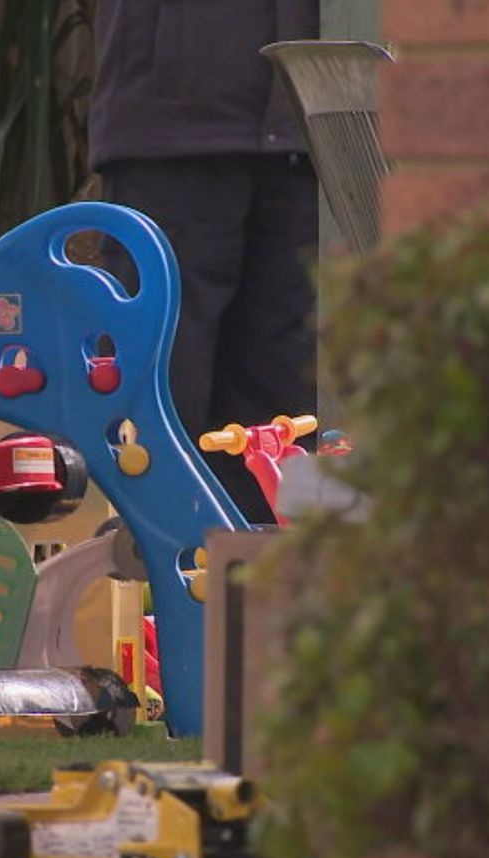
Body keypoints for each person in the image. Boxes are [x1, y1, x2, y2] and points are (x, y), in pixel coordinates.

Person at [90, 0, 321, 523]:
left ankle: (271, 565)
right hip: (169, 133)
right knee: (159, 388)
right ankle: (153, 559)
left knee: (289, 407)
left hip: (306, 131)